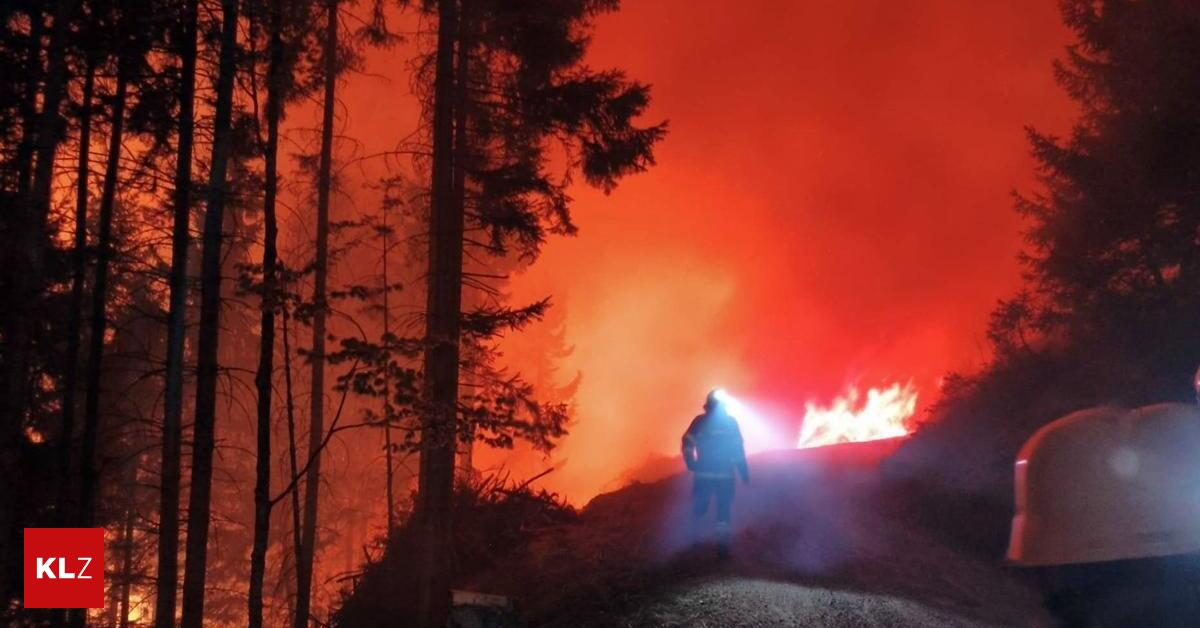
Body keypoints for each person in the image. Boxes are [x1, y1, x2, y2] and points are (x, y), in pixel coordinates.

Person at [681, 389, 750, 558]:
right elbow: (738, 450)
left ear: (708, 405)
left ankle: (695, 544)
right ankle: (722, 550)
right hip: (725, 477)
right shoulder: (731, 423)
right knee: (723, 514)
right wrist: (743, 472)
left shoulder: (699, 422)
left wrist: (691, 462)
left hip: (703, 475)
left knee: (700, 509)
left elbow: (687, 443)